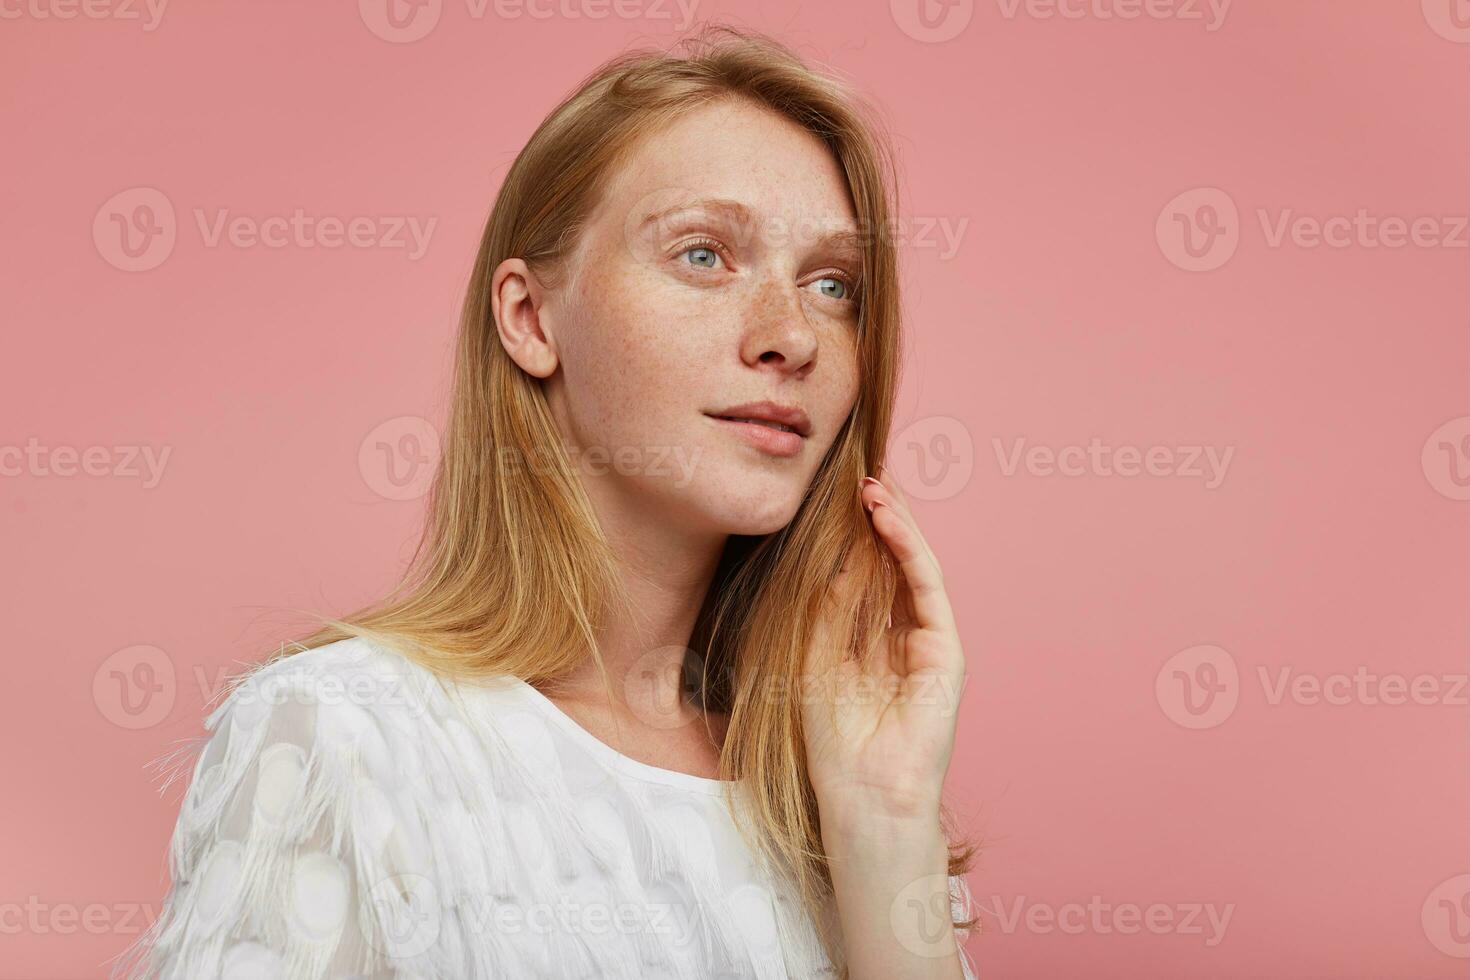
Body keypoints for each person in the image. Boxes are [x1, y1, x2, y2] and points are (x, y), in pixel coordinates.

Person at [111, 24, 980, 980]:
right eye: (703, 255)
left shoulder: (838, 790)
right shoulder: (345, 737)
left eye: (833, 284)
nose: (792, 336)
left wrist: (887, 821)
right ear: (530, 317)